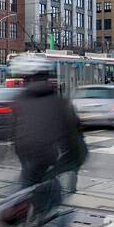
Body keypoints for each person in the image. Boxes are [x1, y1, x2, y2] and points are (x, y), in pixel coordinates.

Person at [11, 58, 87, 214]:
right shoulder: (61, 102)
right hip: (56, 158)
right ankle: (58, 226)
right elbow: (75, 138)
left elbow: (12, 134)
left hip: (29, 158)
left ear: (26, 80)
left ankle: (19, 210)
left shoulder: (18, 101)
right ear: (48, 78)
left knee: (24, 187)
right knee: (56, 196)